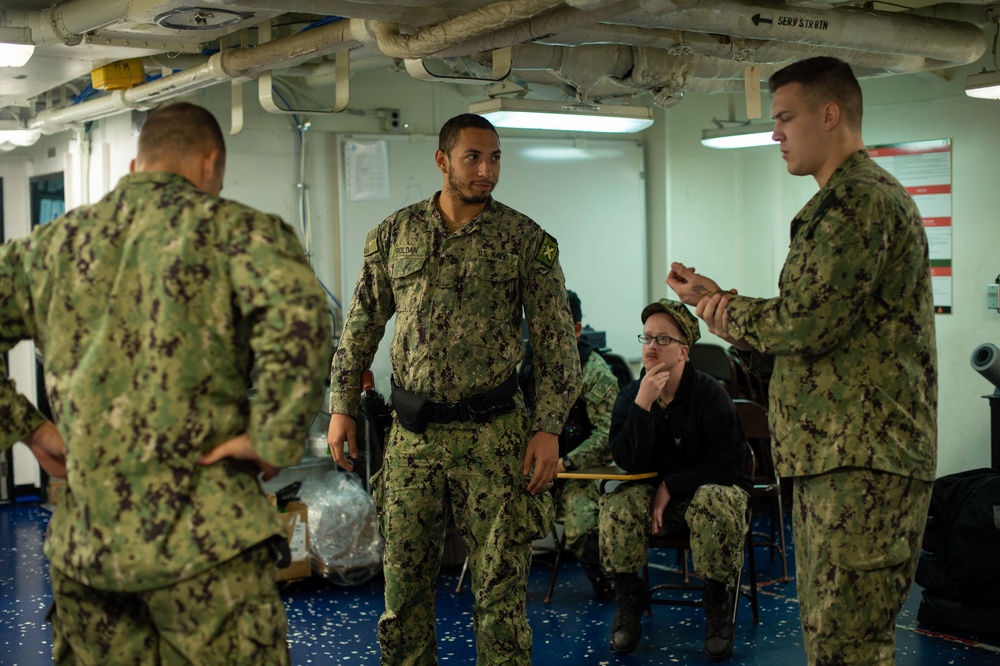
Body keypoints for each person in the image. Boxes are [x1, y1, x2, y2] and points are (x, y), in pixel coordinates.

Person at [0, 102, 332, 665]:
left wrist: (29, 429)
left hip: (90, 549)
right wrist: (270, 437)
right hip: (207, 547)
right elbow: (304, 323)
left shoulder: (49, 249)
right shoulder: (240, 233)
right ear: (210, 165)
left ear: (136, 165)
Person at [667, 56, 937, 665]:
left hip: (862, 459)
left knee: (848, 644)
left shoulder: (857, 204)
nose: (775, 133)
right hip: (837, 455)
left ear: (830, 114)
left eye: (786, 118)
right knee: (831, 636)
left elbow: (808, 322)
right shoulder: (838, 205)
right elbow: (813, 328)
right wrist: (719, 306)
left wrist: (724, 310)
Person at [327, 113, 581, 665]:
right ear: (443, 160)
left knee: (500, 597)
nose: (487, 171)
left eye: (495, 159)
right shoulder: (395, 235)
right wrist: (341, 405)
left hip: (494, 437)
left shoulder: (525, 240)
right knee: (405, 593)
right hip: (415, 438)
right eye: (474, 158)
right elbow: (361, 325)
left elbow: (558, 343)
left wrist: (548, 427)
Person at [600, 299, 750, 659]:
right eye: (647, 338)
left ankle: (716, 603)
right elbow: (627, 461)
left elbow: (730, 462)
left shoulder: (710, 394)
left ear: (684, 351)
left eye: (662, 339)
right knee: (618, 502)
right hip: (658, 504)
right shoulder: (631, 396)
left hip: (711, 497)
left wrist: (672, 485)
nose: (651, 347)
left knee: (713, 499)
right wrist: (643, 406)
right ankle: (629, 598)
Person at [548, 289, 619, 600]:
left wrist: (567, 463)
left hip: (580, 471)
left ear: (576, 330)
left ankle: (609, 583)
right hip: (539, 468)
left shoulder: (596, 373)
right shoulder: (530, 365)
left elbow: (607, 435)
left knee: (580, 523)